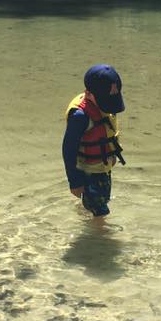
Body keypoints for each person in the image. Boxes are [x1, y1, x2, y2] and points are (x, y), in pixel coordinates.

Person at [62, 64, 126, 217]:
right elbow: (68, 150)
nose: (110, 107)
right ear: (88, 94)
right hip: (89, 171)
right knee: (101, 213)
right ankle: (101, 238)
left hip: (102, 166)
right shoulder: (80, 116)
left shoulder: (106, 103)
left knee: (99, 201)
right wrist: (75, 182)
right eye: (106, 102)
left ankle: (85, 209)